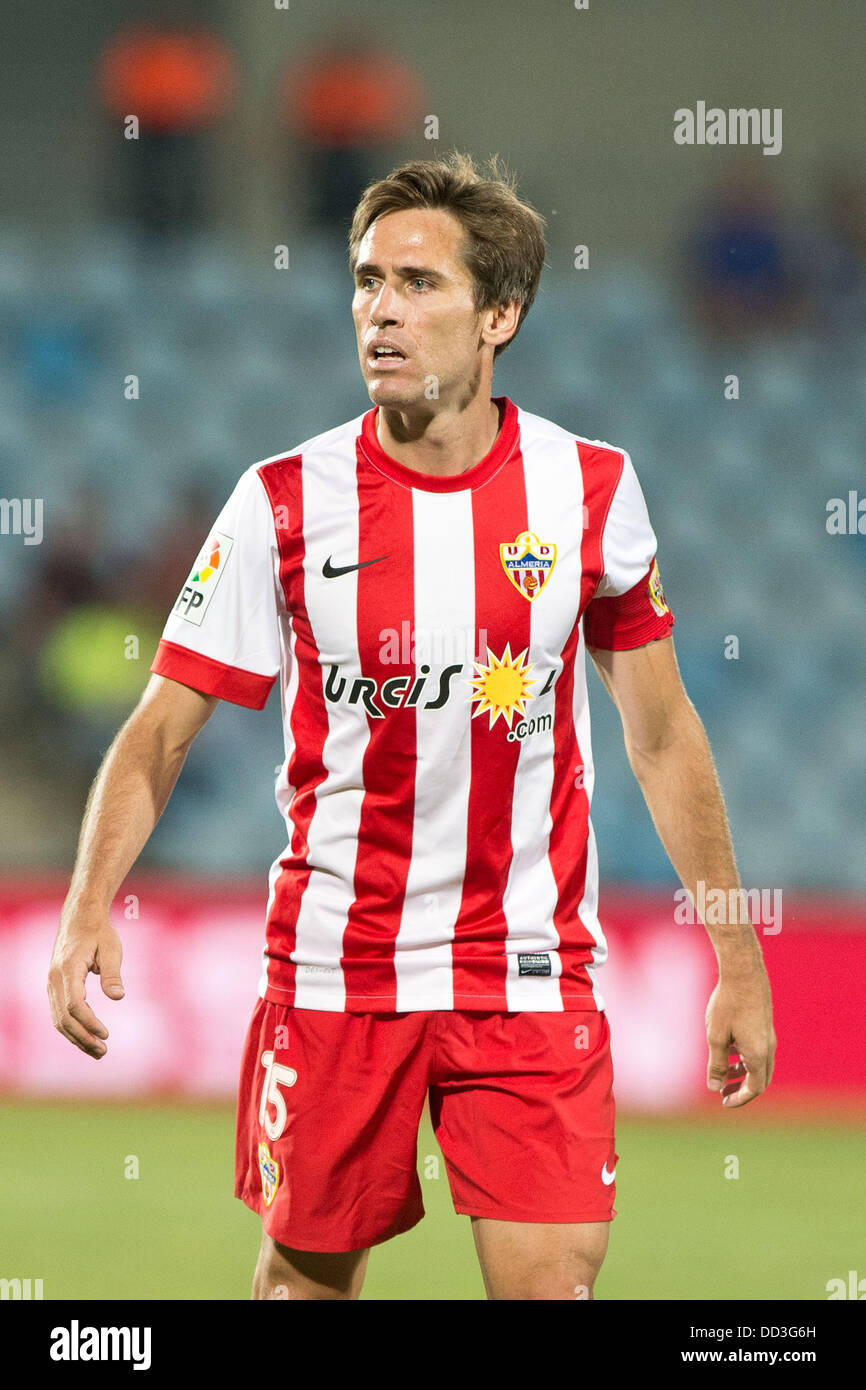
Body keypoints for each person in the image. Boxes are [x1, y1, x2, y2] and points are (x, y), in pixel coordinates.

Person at [48, 152, 776, 1302]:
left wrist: (735, 955)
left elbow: (661, 734)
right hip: (337, 969)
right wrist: (89, 901)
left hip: (525, 970)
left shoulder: (588, 491)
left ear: (500, 313)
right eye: (366, 280)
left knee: (549, 1290)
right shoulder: (280, 501)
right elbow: (160, 728)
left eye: (418, 284)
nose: (380, 309)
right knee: (300, 1292)